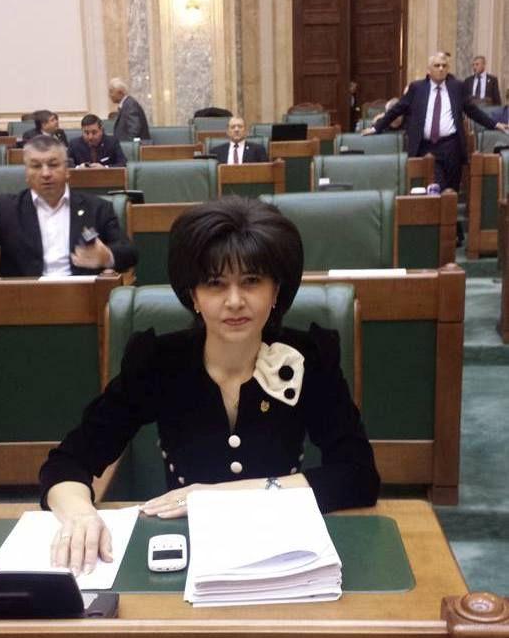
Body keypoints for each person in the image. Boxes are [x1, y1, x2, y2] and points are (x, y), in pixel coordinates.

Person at [40, 196, 380, 575]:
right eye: (215, 284)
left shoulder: (307, 360)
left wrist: (216, 496)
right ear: (194, 296)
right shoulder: (159, 363)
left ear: (276, 291)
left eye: (251, 281)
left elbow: (358, 476)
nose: (234, 301)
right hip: (186, 554)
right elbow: (67, 462)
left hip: (283, 550)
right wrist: (80, 515)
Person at [0, 135, 137, 276]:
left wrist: (107, 256)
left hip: (81, 297)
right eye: (36, 166)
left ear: (67, 170)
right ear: (26, 173)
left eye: (53, 164)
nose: (45, 173)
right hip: (22, 298)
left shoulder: (97, 208)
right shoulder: (8, 208)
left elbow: (129, 252)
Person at [363, 52, 509, 194]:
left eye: (444, 66)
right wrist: (377, 127)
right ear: (428, 70)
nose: (441, 69)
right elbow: (397, 109)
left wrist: (495, 124)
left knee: (452, 191)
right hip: (426, 147)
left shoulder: (457, 87)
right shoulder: (417, 88)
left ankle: (449, 209)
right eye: (437, 65)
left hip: (451, 146)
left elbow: (472, 111)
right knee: (436, 188)